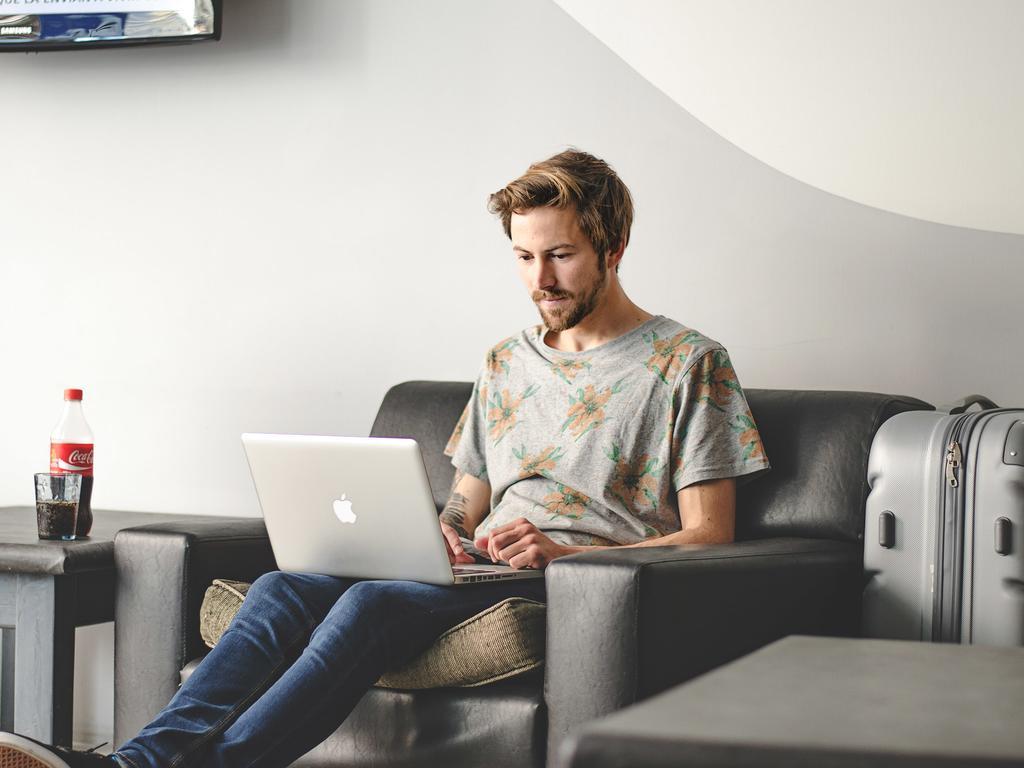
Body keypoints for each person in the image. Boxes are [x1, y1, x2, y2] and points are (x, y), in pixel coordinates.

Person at [0, 148, 770, 768]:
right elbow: (468, 497)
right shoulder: (507, 360)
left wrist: (563, 550)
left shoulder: (688, 363)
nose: (540, 281)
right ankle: (138, 763)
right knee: (283, 583)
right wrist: (438, 528)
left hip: (572, 582)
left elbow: (712, 534)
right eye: (524, 256)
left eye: (562, 256)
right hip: (475, 563)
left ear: (614, 247)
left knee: (369, 604)